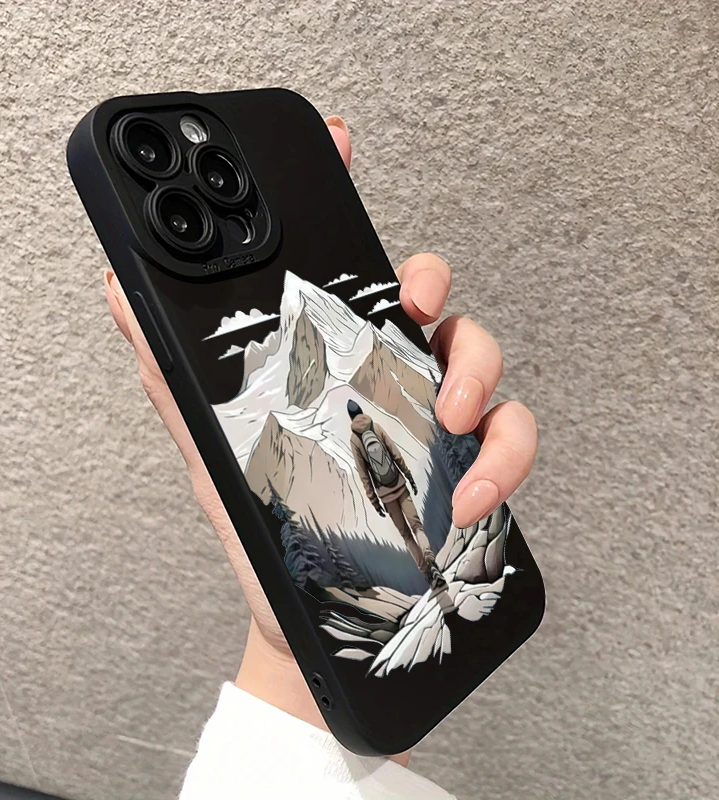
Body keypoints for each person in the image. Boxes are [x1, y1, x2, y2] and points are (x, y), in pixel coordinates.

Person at [103, 115, 538, 799]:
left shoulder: (356, 415)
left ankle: (428, 569)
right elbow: (364, 459)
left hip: (388, 503)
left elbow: (372, 456)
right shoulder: (335, 429)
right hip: (385, 507)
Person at [347, 399, 447, 590]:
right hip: (399, 485)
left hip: (386, 496)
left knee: (406, 536)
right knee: (417, 527)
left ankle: (428, 575)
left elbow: (364, 474)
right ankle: (431, 561)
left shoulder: (355, 440)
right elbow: (395, 454)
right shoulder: (376, 427)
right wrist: (408, 477)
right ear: (361, 411)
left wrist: (375, 502)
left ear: (351, 417)